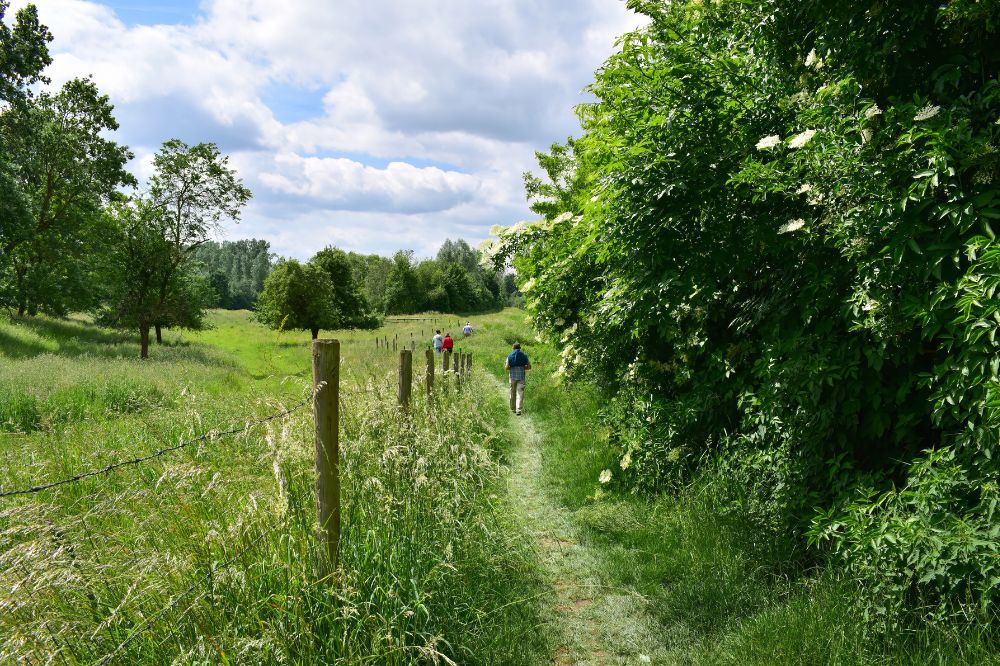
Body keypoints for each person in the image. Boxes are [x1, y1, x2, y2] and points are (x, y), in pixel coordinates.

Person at [504, 342, 531, 415]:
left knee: (512, 392)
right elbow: (529, 366)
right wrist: (522, 367)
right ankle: (519, 409)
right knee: (520, 392)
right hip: (521, 376)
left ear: (513, 347)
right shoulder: (524, 355)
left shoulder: (509, 356)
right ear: (520, 348)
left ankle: (513, 409)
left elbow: (506, 367)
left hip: (512, 377)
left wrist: (512, 367)